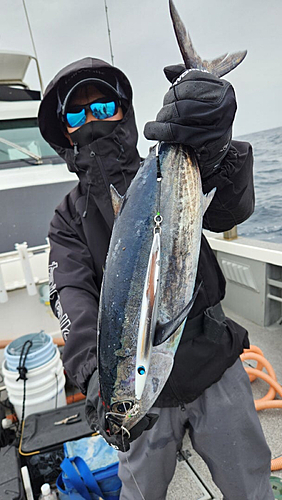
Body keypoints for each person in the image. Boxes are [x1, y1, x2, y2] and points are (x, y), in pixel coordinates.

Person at [38, 57, 274, 500]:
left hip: (212, 363)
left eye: (104, 106)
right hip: (139, 395)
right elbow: (73, 300)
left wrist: (217, 142)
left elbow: (228, 209)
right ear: (63, 131)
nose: (92, 119)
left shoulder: (167, 165)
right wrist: (100, 384)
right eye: (76, 113)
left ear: (125, 110)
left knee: (251, 487)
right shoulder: (68, 219)